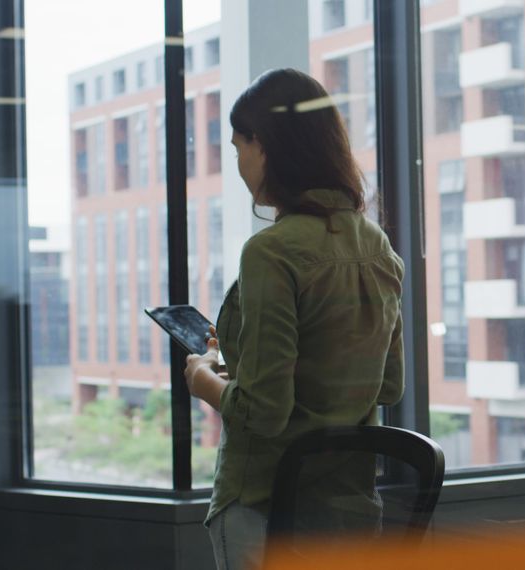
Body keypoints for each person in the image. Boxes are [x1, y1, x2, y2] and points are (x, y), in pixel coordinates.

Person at [183, 68, 405, 570]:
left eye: (238, 146)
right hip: (349, 511)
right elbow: (388, 386)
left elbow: (264, 412)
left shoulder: (272, 253)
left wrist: (203, 379)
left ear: (264, 146)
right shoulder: (379, 249)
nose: (237, 163)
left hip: (267, 507)